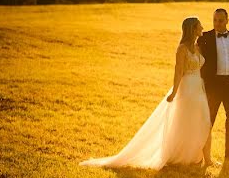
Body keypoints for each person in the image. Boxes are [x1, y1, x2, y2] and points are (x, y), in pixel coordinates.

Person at [80, 17, 211, 169]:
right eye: (199, 26)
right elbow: (178, 72)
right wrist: (174, 93)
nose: (202, 27)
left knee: (199, 122)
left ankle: (193, 156)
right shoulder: (181, 49)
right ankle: (177, 156)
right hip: (187, 89)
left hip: (198, 88)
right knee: (184, 122)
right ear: (193, 29)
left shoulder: (198, 47)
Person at [197, 8, 229, 163]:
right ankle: (200, 156)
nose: (217, 23)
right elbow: (199, 61)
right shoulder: (205, 37)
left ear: (227, 20)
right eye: (215, 20)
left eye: (221, 20)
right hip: (213, 87)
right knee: (207, 122)